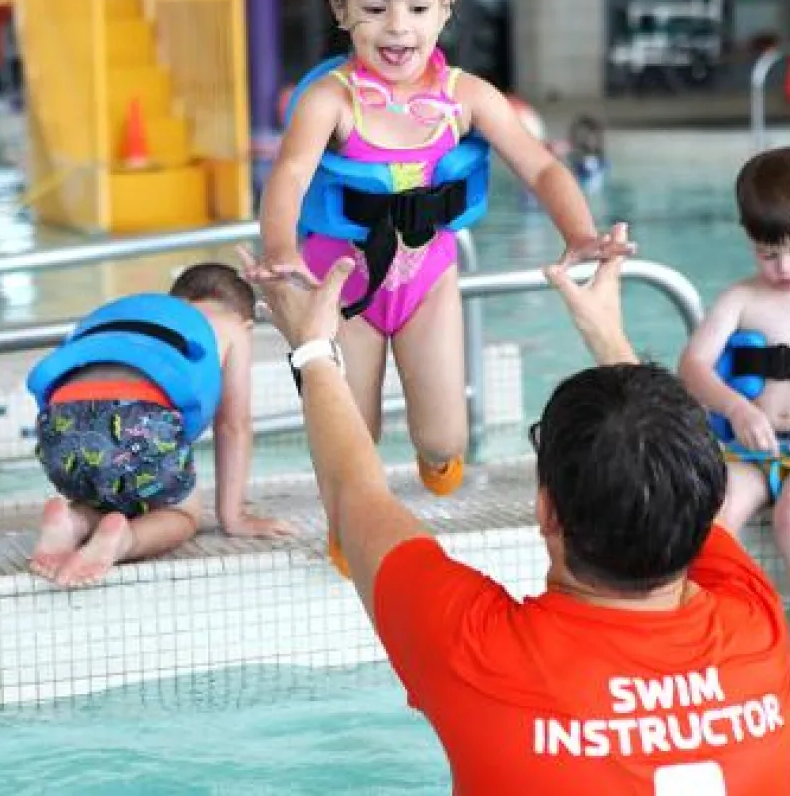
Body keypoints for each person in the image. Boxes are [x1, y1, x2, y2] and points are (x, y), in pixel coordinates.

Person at [244, 224, 790, 793]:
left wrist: (312, 347)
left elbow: (356, 495)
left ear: (548, 512)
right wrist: (610, 336)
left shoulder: (478, 652)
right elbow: (669, 479)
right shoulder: (757, 625)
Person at [247, 0, 630, 574]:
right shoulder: (331, 103)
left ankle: (434, 455)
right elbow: (288, 176)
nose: (399, 27)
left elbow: (539, 166)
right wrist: (281, 250)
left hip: (427, 280)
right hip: (342, 287)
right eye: (375, 6)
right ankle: (350, 515)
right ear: (341, 9)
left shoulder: (466, 98)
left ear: (447, 7)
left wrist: (581, 234)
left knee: (444, 436)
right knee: (352, 428)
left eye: (419, 6)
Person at [25, 263, 292, 587]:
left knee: (110, 492)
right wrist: (233, 516)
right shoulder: (231, 326)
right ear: (247, 323)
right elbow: (233, 426)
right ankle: (123, 540)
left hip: (59, 423)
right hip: (139, 417)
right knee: (181, 513)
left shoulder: (141, 317)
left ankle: (73, 522)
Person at [679, 147, 790, 583]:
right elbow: (693, 366)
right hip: (752, 452)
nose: (783, 267)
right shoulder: (740, 299)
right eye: (767, 254)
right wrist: (736, 408)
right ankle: (712, 625)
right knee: (710, 524)